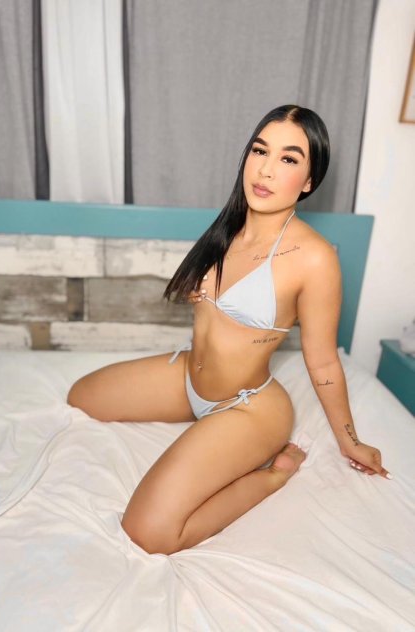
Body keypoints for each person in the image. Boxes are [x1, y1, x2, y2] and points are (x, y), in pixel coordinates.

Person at [67, 104, 390, 555]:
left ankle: (272, 476)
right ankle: (210, 428)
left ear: (309, 181)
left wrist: (350, 442)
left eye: (289, 158)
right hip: (189, 379)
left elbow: (322, 362)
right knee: (81, 396)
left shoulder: (315, 258)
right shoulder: (230, 226)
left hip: (247, 406)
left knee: (147, 531)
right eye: (260, 150)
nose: (266, 169)